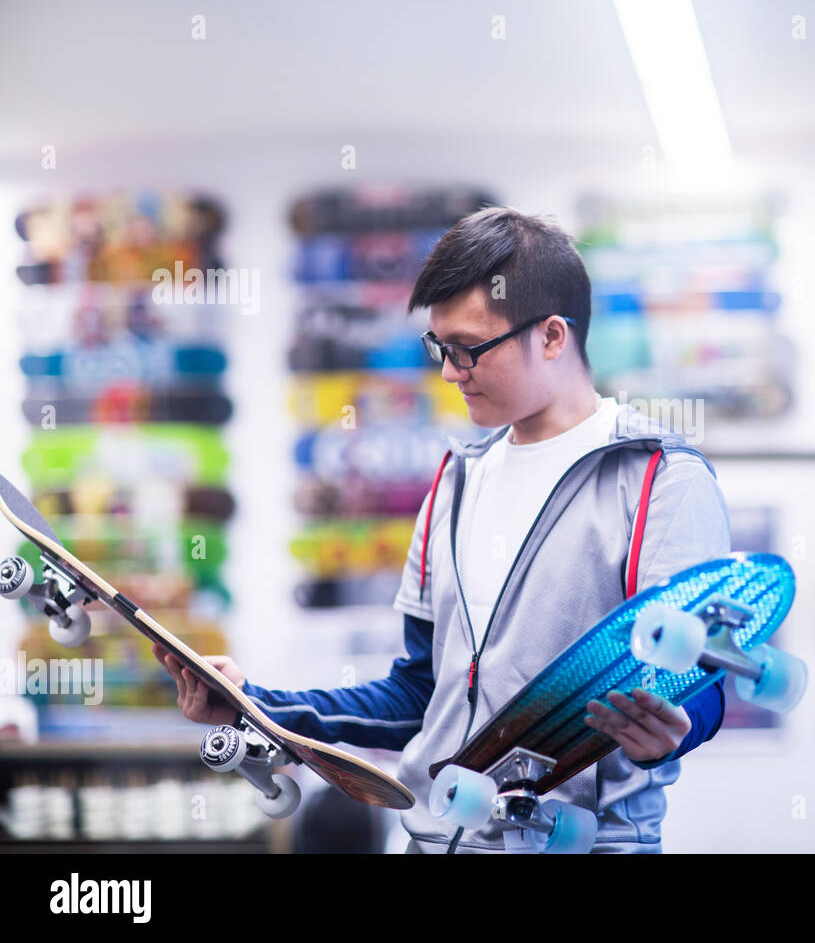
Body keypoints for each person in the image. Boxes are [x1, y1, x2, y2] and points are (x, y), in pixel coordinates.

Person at [155, 206, 732, 853]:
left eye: (468, 349)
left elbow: (706, 677)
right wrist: (255, 704)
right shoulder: (457, 480)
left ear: (551, 336)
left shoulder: (660, 478)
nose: (449, 371)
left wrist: (678, 727)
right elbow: (419, 695)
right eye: (439, 348)